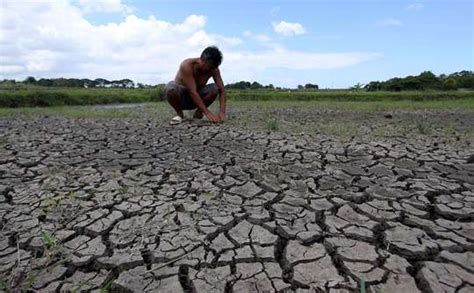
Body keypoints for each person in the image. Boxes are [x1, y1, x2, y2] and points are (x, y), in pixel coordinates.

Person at [164, 46, 226, 125]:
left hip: (197, 99)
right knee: (170, 88)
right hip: (181, 99)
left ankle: (198, 113)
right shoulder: (187, 65)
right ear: (203, 60)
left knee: (214, 88)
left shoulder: (214, 69)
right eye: (210, 67)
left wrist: (222, 112)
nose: (211, 69)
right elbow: (192, 91)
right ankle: (179, 114)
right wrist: (207, 113)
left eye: (214, 67)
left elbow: (222, 90)